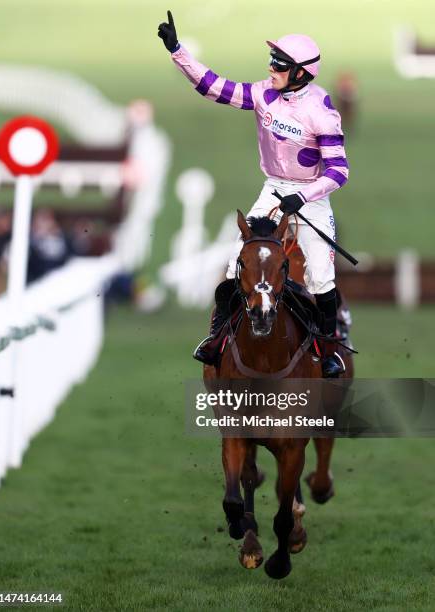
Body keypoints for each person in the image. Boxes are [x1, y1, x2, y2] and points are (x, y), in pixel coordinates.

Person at [158, 11, 350, 377]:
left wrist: (306, 196)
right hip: (274, 188)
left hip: (311, 195)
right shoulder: (264, 93)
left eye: (279, 63)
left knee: (322, 277)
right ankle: (216, 340)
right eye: (272, 61)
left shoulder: (322, 112)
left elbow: (339, 171)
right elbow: (215, 87)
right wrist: (177, 51)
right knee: (235, 265)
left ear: (301, 72)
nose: (271, 68)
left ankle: (328, 354)